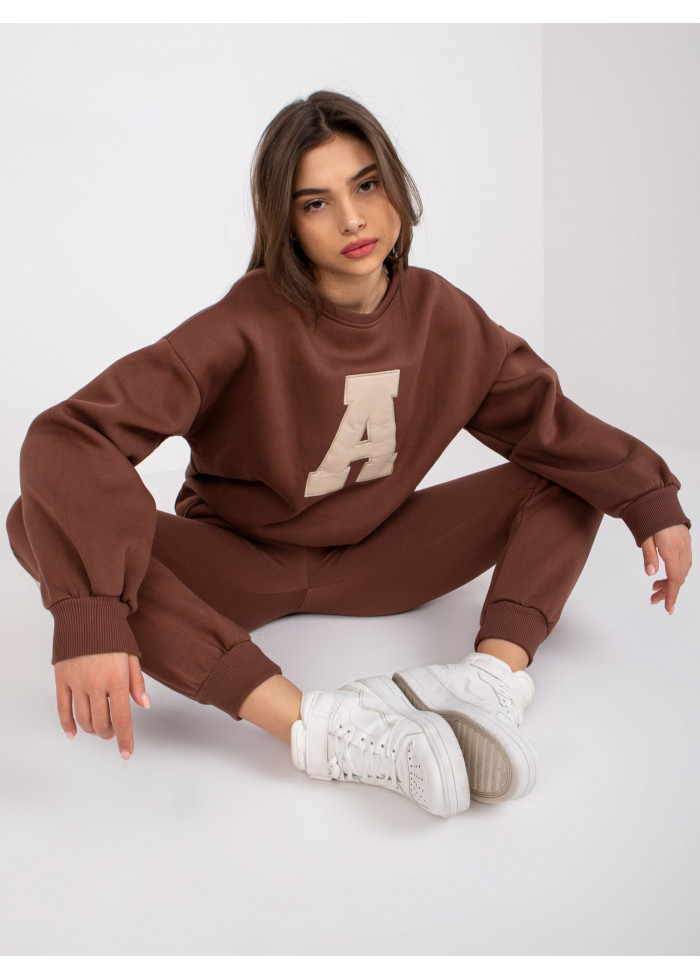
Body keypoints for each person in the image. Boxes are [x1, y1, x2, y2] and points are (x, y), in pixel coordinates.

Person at [6, 91, 692, 818]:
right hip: (237, 566)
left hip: (379, 559)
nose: (352, 219)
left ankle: (488, 682)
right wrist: (92, 612)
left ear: (396, 186)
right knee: (38, 521)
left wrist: (650, 499)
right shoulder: (242, 323)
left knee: (572, 476)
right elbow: (72, 436)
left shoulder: (442, 314)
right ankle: (317, 726)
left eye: (366, 185)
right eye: (316, 202)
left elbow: (549, 426)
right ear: (286, 223)